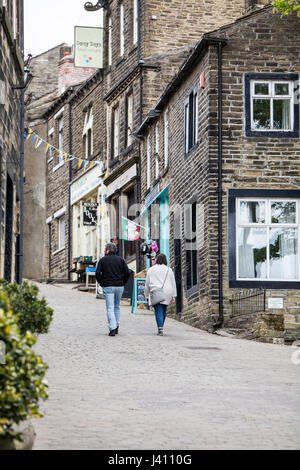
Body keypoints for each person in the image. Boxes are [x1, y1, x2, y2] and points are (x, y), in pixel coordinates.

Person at [96, 243, 130, 337]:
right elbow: (127, 273)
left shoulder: (103, 260)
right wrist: (123, 282)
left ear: (107, 250)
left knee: (110, 308)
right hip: (119, 286)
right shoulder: (121, 260)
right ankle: (116, 325)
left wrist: (102, 283)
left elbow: (98, 273)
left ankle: (112, 328)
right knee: (117, 306)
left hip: (108, 286)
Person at [144, 253, 177, 336]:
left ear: (157, 260)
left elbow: (147, 284)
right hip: (167, 292)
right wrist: (173, 295)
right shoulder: (169, 270)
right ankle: (161, 326)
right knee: (163, 310)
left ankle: (160, 328)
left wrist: (146, 295)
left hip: (156, 292)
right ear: (165, 260)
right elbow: (173, 283)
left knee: (158, 310)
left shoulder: (151, 270)